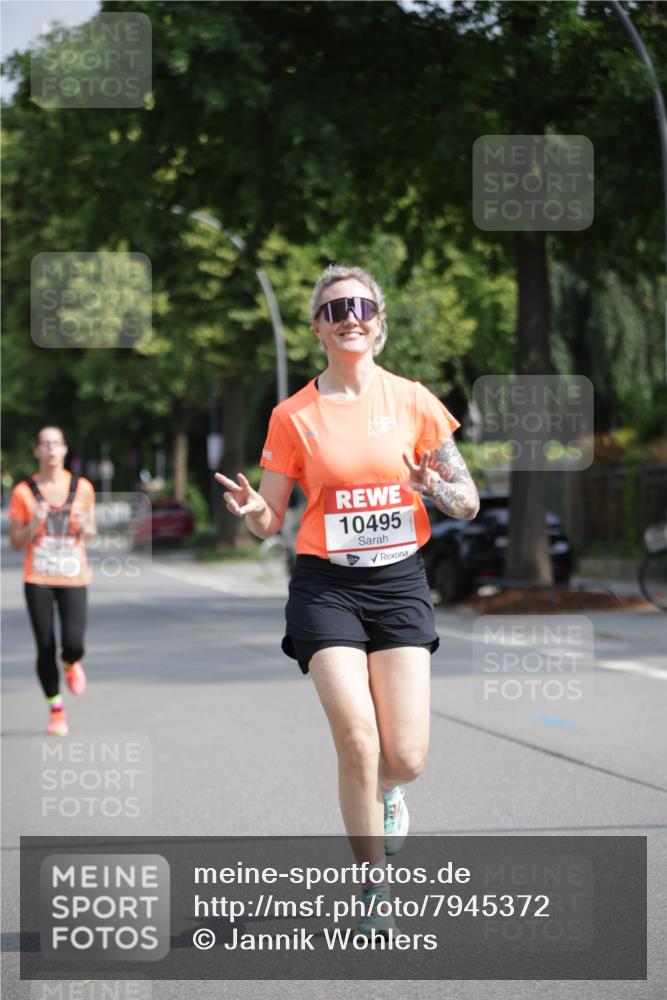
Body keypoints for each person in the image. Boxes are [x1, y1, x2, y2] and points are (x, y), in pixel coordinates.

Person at [216, 265, 479, 936]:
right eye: (335, 309)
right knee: (356, 738)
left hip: (398, 584)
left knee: (404, 757)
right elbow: (270, 520)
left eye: (360, 305)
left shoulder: (413, 400)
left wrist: (433, 489)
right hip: (325, 586)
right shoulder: (292, 415)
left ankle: (389, 793)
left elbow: (468, 500)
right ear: (317, 328)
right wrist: (251, 509)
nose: (349, 315)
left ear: (378, 320)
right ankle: (372, 890)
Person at [9, 427, 96, 736]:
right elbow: (16, 544)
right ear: (37, 451)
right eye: (44, 444)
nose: (50, 450)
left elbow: (91, 532)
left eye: (55, 444)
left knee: (72, 643)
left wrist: (87, 527)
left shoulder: (82, 487)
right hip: (38, 578)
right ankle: (56, 710)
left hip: (73, 575)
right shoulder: (23, 492)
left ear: (64, 449)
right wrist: (33, 523)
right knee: (45, 646)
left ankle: (71, 663)